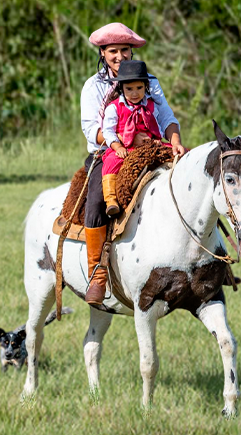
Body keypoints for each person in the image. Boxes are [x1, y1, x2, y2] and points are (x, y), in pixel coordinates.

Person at [78, 22, 184, 307]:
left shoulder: (148, 80)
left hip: (151, 147)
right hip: (108, 152)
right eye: (113, 50)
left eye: (125, 50)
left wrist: (174, 140)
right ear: (102, 52)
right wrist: (124, 141)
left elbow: (166, 116)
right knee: (96, 201)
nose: (120, 56)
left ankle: (202, 255)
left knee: (190, 181)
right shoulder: (94, 86)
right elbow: (91, 129)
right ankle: (98, 274)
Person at [99, 60, 166, 217]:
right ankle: (111, 200)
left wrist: (157, 139)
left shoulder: (151, 106)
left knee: (175, 154)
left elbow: (158, 125)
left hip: (148, 146)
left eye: (139, 88)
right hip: (125, 147)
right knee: (111, 162)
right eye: (129, 89)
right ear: (121, 88)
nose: (134, 93)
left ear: (145, 87)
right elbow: (108, 131)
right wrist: (118, 147)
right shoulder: (114, 107)